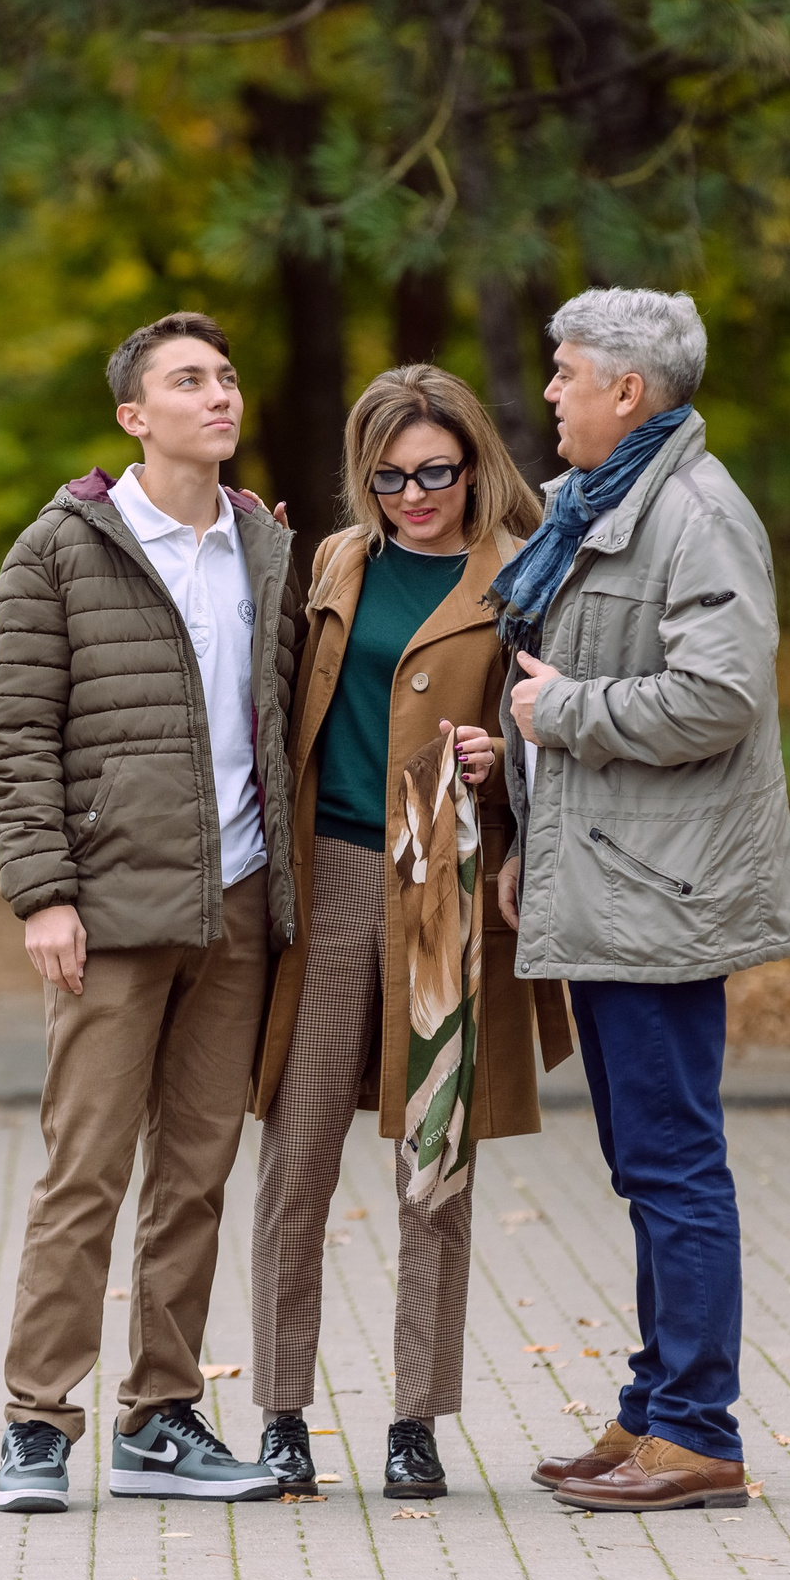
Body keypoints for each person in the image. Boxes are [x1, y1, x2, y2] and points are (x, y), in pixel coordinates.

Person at [494, 289, 790, 1512]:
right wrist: (527, 815)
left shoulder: (694, 508)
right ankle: (651, 1413)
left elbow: (716, 696)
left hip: (662, 896)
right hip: (613, 883)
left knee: (674, 1166)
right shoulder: (612, 503)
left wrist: (561, 712)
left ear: (629, 390)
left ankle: (697, 1433)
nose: (553, 392)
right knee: (643, 1164)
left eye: (568, 372)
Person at [0, 311, 301, 1513]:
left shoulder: (267, 545)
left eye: (224, 375)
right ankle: (35, 1423)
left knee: (197, 1175)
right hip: (109, 913)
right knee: (85, 1174)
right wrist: (44, 895)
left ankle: (161, 1418)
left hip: (237, 902)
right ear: (134, 417)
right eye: (187, 381)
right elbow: (14, 741)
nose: (218, 395)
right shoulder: (59, 551)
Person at [245, 366, 574, 1501]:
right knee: (296, 1156)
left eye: (435, 471)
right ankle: (282, 1416)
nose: (413, 496)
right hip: (332, 871)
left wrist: (501, 763)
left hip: (444, 874)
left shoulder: (526, 573)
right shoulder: (336, 562)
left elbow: (553, 719)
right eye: (388, 478)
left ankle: (414, 1422)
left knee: (434, 1161)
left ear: (474, 463)